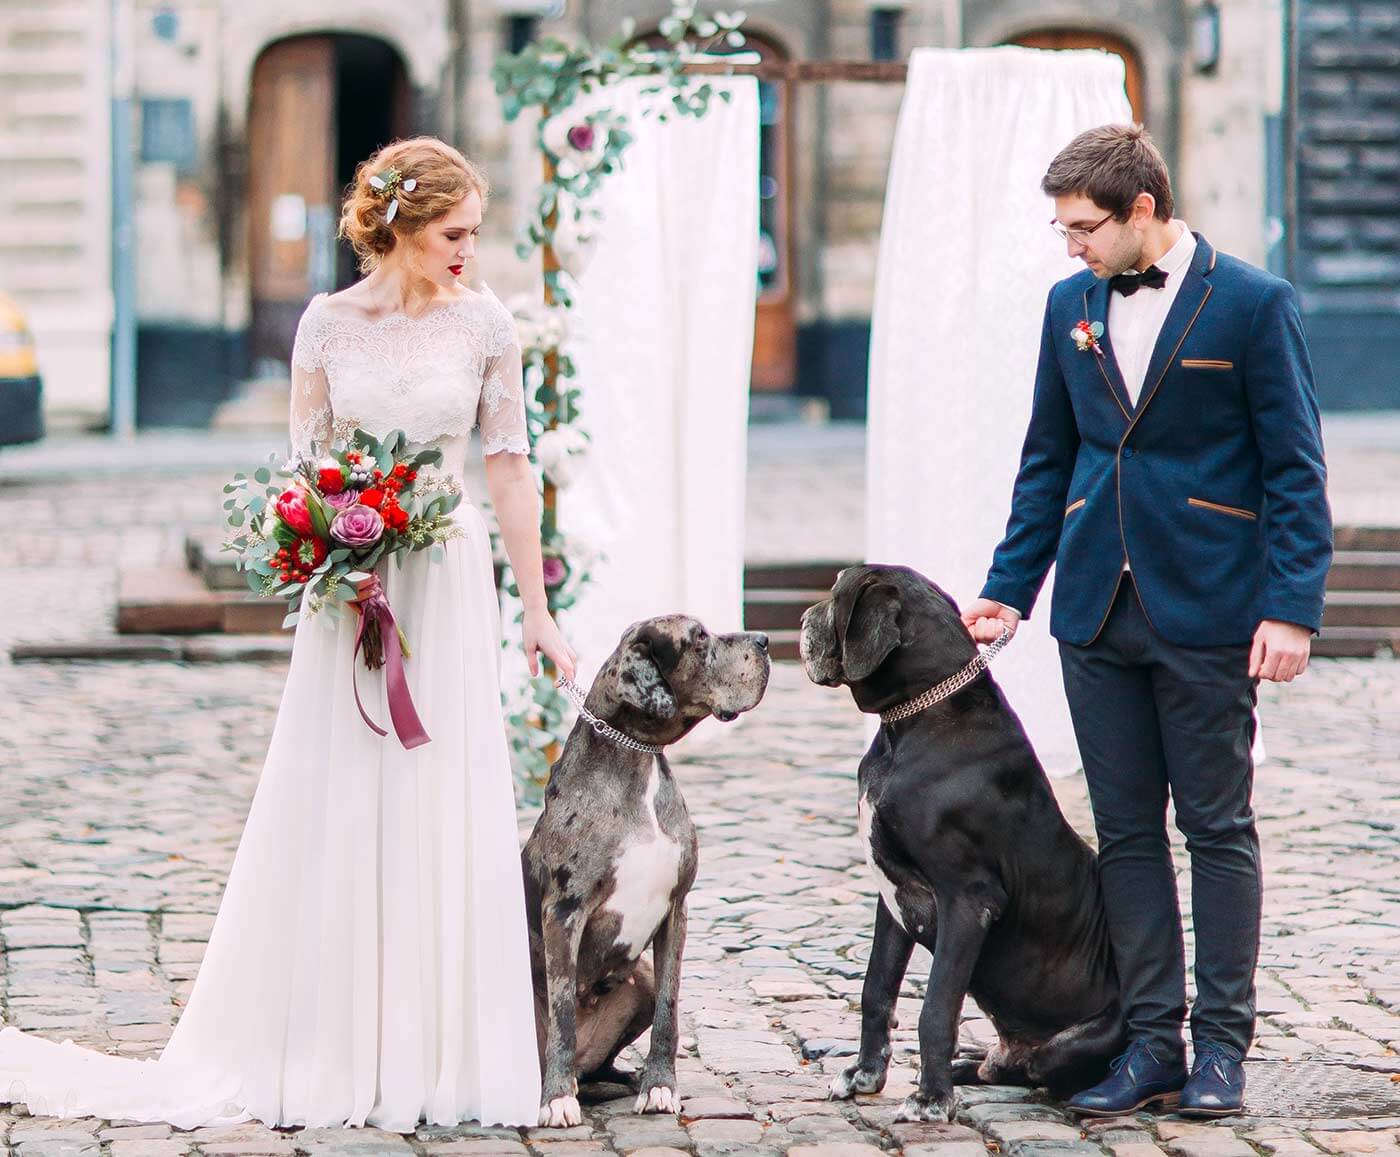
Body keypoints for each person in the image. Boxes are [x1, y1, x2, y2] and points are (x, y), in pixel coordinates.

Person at [0, 137, 574, 1131]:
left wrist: (536, 604)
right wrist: (326, 543)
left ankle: (439, 1046)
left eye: (474, 232)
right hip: (354, 589)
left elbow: (510, 466)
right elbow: (302, 472)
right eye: (453, 231)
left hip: (444, 581)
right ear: (398, 227)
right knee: (343, 794)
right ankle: (330, 1037)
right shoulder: (326, 326)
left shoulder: (485, 323)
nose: (468, 249)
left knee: (443, 796)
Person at [961, 124, 1331, 1119]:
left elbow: (1294, 469)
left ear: (1140, 212)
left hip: (1208, 603)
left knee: (1214, 827)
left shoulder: (1252, 303)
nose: (1066, 243)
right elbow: (1048, 458)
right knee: (1123, 834)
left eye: (1081, 226)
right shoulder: (1067, 305)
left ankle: (1220, 1047)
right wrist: (1008, 587)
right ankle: (1147, 1040)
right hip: (1093, 607)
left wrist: (1289, 609)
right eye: (1058, 225)